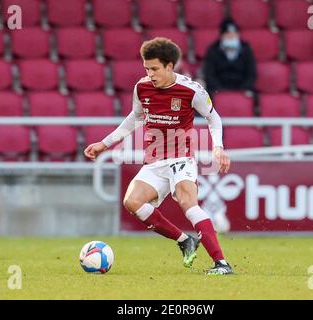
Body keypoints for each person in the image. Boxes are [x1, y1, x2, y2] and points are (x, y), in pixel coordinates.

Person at [84, 37, 233, 275]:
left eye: (155, 69)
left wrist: (218, 147)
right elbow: (135, 118)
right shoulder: (142, 88)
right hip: (154, 161)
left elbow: (213, 117)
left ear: (169, 66)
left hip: (181, 159)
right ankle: (185, 241)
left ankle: (221, 264)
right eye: (146, 68)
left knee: (188, 203)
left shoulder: (191, 90)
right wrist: (105, 143)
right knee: (132, 203)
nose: (150, 74)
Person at [203, 17, 257, 98]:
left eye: (234, 34)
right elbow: (209, 74)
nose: (231, 37)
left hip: (241, 88)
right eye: (228, 34)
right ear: (221, 35)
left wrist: (243, 89)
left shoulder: (246, 49)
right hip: (218, 89)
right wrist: (219, 89)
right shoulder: (213, 50)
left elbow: (251, 74)